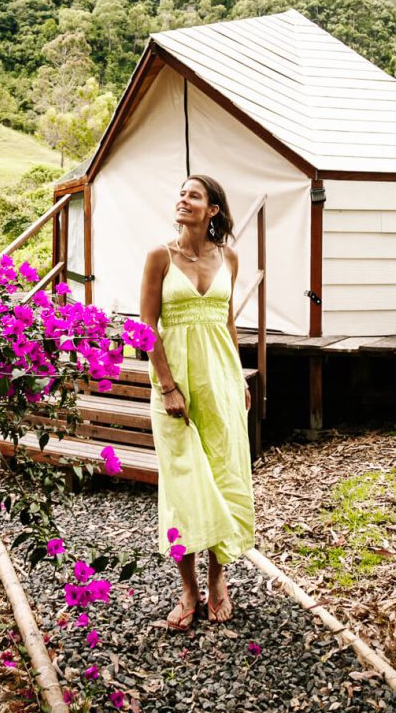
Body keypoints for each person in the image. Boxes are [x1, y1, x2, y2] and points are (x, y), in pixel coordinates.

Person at [139, 174, 255, 630]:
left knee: (225, 476)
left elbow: (228, 323)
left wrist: (240, 377)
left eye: (194, 195)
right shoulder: (159, 257)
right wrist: (167, 385)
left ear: (213, 211)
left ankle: (218, 580)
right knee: (185, 483)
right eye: (181, 193)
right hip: (176, 384)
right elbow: (146, 325)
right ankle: (188, 587)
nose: (182, 199)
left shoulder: (229, 257)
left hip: (221, 381)